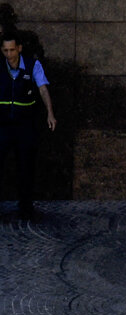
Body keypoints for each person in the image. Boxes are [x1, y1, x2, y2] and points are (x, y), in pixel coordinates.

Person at [0, 29, 55, 218]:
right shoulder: (0, 67)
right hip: (4, 125)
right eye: (5, 51)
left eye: (12, 50)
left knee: (25, 166)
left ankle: (25, 207)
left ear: (19, 49)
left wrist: (50, 113)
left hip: (24, 125)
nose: (9, 55)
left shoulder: (32, 65)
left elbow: (42, 89)